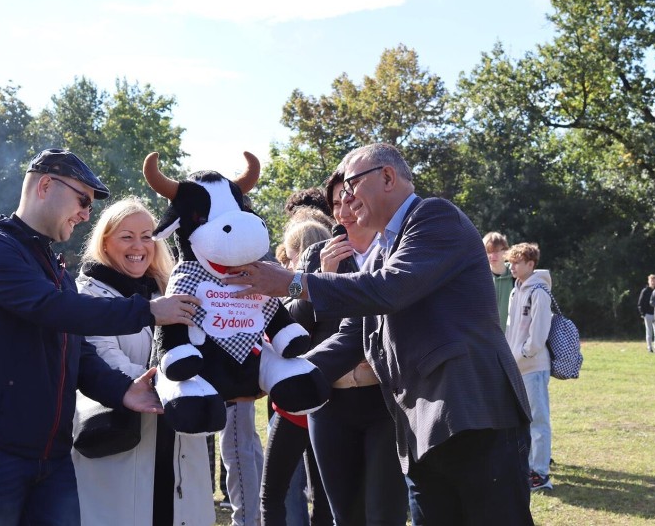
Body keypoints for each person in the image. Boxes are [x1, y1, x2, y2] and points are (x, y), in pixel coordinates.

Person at [226, 143, 533, 525]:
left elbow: (391, 288)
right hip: (421, 437)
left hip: (473, 419)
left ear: (387, 177)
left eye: (352, 185)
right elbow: (352, 337)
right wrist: (266, 377)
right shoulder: (380, 253)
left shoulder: (434, 216)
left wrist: (291, 283)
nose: (346, 199)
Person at [0, 148, 201, 524]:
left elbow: (74, 346)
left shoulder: (53, 267)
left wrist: (123, 390)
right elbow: (53, 309)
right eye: (82, 199)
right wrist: (149, 310)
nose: (86, 213)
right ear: (45, 185)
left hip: (48, 457)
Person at [70, 197, 214, 525]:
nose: (139, 245)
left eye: (147, 235)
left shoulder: (168, 290)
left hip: (176, 443)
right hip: (118, 445)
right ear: (104, 241)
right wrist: (183, 383)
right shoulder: (86, 296)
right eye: (127, 236)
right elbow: (105, 361)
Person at [289, 170, 408, 526]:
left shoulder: (394, 249)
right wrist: (321, 280)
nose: (344, 212)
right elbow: (291, 316)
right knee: (345, 513)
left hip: (384, 401)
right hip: (330, 404)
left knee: (384, 512)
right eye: (337, 203)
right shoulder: (315, 254)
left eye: (351, 201)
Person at [262, 217, 333, 526]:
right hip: (332, 403)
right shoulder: (343, 284)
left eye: (288, 258)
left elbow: (289, 332)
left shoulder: (303, 290)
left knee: (274, 495)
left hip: (298, 407)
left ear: (299, 253)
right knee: (323, 494)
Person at [504, 243, 554, 492]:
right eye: (510, 262)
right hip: (516, 366)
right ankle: (526, 467)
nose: (511, 266)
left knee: (538, 420)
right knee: (520, 421)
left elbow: (537, 335)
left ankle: (540, 473)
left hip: (533, 366)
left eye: (516, 262)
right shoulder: (516, 290)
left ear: (530, 264)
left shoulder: (539, 292)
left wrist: (522, 354)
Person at [482, 232, 513, 332]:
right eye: (488, 251)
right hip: (487, 342)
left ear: (505, 251)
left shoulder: (517, 277)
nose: (492, 255)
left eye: (496, 251)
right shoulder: (479, 278)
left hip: (513, 342)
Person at [637, 274, 655, 353]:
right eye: (651, 280)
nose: (652, 282)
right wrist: (643, 314)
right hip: (648, 314)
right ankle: (649, 347)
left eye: (654, 280)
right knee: (649, 332)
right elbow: (640, 303)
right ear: (648, 281)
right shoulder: (645, 291)